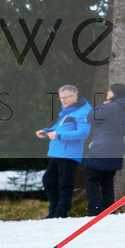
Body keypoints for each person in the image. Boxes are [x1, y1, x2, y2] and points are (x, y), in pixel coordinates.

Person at [36, 84, 92, 218]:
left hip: (69, 154)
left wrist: (58, 136)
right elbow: (59, 128)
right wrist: (46, 131)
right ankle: (53, 211)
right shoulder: (67, 111)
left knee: (64, 183)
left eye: (66, 97)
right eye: (61, 98)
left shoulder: (83, 111)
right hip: (57, 152)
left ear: (74, 96)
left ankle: (61, 213)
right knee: (48, 181)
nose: (63, 100)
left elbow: (83, 133)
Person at [82, 84, 125, 216]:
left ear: (116, 93)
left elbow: (91, 118)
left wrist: (101, 105)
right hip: (117, 148)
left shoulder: (107, 107)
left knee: (92, 179)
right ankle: (109, 211)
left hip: (101, 147)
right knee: (107, 181)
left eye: (110, 90)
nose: (107, 92)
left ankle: (94, 212)